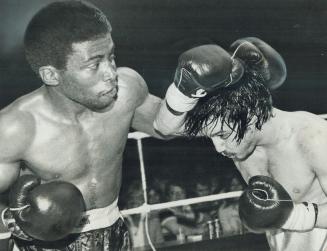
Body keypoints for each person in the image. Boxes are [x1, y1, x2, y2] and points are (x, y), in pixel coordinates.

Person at [0, 1, 164, 250]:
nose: (111, 72)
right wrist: (10, 219)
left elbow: (168, 127)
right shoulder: (16, 126)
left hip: (114, 233)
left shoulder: (126, 92)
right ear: (51, 75)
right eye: (93, 64)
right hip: (46, 244)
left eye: (111, 56)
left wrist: (190, 94)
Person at [153, 37, 327, 251]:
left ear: (251, 113)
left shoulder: (313, 138)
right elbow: (165, 127)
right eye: (212, 136)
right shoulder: (228, 122)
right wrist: (182, 91)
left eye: (222, 135)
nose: (218, 147)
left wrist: (293, 216)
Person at [123, 182, 164, 248]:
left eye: (139, 197)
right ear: (126, 200)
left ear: (145, 201)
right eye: (131, 197)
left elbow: (161, 247)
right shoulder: (120, 220)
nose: (134, 201)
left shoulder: (153, 220)